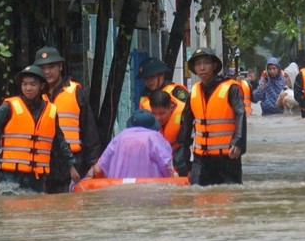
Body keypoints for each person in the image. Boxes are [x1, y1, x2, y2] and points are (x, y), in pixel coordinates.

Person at [0, 65, 80, 193]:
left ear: (41, 86)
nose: (28, 88)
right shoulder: (9, 107)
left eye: (32, 84)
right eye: (24, 84)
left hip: (36, 178)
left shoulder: (51, 111)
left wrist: (71, 167)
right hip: (10, 175)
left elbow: (60, 142)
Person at [33, 46, 100, 193]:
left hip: (74, 161)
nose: (47, 72)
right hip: (44, 161)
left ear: (60, 67)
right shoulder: (34, 96)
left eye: (51, 67)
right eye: (42, 68)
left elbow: (89, 130)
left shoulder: (76, 91)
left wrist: (93, 163)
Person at [181, 47, 246, 185]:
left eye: (206, 63)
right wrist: (187, 164)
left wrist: (238, 141)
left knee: (230, 199)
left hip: (227, 157)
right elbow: (186, 129)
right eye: (198, 64)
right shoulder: (194, 92)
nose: (202, 68)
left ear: (214, 66)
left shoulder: (231, 88)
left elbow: (240, 114)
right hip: (201, 159)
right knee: (198, 198)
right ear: (194, 68)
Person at [86, 109, 174, 179]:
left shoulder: (120, 137)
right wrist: (173, 177)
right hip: (149, 191)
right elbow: (166, 164)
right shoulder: (155, 137)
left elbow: (98, 169)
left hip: (119, 191)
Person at [147, 89, 189, 176]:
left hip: (181, 150)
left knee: (179, 160)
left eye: (162, 113)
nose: (157, 118)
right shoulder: (146, 118)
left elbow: (185, 139)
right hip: (165, 152)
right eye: (154, 113)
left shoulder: (184, 115)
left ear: (171, 107)